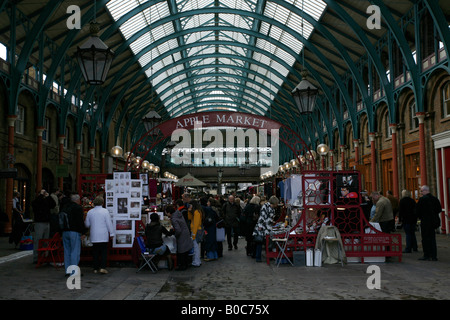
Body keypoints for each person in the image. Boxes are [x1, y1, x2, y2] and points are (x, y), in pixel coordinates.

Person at [84, 196, 114, 274]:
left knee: (95, 252)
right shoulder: (105, 211)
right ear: (102, 203)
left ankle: (95, 268)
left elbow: (87, 224)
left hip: (94, 235)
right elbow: (109, 223)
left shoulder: (90, 212)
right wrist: (112, 233)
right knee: (103, 251)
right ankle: (103, 267)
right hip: (103, 234)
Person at [61, 193, 87, 277]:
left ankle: (67, 270)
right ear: (77, 200)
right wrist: (83, 232)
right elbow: (80, 221)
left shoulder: (64, 207)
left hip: (65, 231)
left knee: (67, 251)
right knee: (74, 251)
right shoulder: (78, 208)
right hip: (74, 231)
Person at [416, 185, 442, 261]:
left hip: (425, 221)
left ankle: (426, 254)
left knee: (425, 238)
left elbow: (418, 211)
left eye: (421, 191)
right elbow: (439, 209)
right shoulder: (435, 199)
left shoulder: (422, 200)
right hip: (434, 221)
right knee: (432, 238)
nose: (421, 193)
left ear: (425, 191)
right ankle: (434, 255)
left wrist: (420, 216)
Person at [31, 189, 56, 264]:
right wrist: (41, 195)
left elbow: (53, 205)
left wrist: (49, 197)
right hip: (39, 222)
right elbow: (36, 204)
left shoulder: (46, 201)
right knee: (38, 240)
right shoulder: (36, 201)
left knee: (46, 240)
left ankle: (44, 256)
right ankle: (36, 257)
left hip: (47, 222)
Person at [252, 196, 279, 262]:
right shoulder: (266, 207)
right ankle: (258, 257)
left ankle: (269, 256)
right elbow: (262, 218)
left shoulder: (271, 208)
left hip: (266, 227)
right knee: (260, 242)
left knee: (267, 242)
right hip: (262, 228)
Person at [168, 200, 192, 271]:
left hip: (182, 235)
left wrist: (175, 234)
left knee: (181, 250)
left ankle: (182, 266)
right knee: (185, 250)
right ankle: (186, 264)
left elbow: (178, 229)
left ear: (169, 212)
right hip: (186, 232)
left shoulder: (174, 218)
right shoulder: (178, 214)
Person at [200, 197, 218, 261]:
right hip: (213, 226)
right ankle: (214, 255)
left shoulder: (207, 209)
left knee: (209, 241)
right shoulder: (212, 209)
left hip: (209, 227)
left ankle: (210, 256)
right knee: (213, 241)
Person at [189, 200, 203, 267]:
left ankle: (196, 261)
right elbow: (190, 218)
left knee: (196, 247)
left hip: (196, 231)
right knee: (196, 246)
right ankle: (197, 261)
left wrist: (193, 234)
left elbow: (196, 224)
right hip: (196, 230)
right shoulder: (196, 212)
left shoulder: (196, 212)